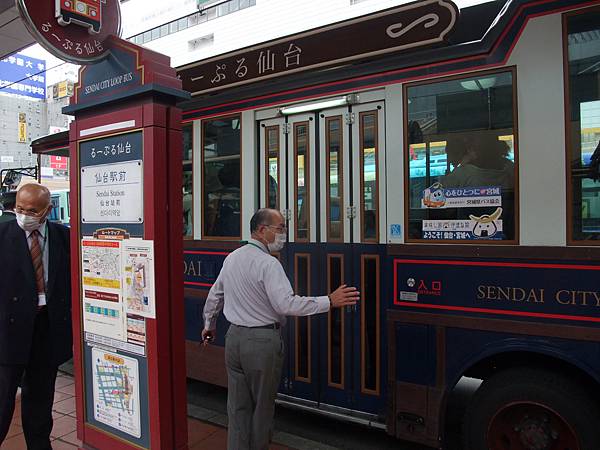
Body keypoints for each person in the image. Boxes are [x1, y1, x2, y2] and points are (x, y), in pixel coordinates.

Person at [202, 208, 359, 450]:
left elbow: (215, 296)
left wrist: (208, 325)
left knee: (238, 408)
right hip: (262, 343)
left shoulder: (232, 257)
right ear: (263, 231)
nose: (284, 234)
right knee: (262, 409)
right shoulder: (269, 265)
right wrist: (329, 300)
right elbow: (286, 304)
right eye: (281, 228)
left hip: (234, 339)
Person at [0, 183, 71, 450]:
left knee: (41, 403)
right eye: (19, 208)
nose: (24, 215)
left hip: (47, 330)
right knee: (3, 401)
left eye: (32, 210)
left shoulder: (63, 237)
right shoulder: (3, 234)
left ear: (47, 210)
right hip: (9, 332)